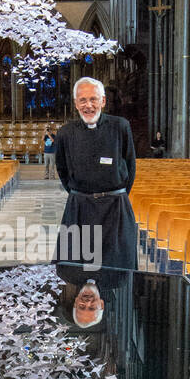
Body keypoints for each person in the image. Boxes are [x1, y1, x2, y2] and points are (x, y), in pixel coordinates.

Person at [53, 77, 138, 272]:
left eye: (93, 99)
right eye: (82, 100)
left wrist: (115, 194)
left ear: (103, 101)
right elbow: (62, 170)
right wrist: (81, 194)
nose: (88, 105)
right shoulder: (66, 133)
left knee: (118, 270)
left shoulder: (121, 126)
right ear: (75, 103)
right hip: (79, 209)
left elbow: (130, 167)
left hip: (115, 208)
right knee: (74, 268)